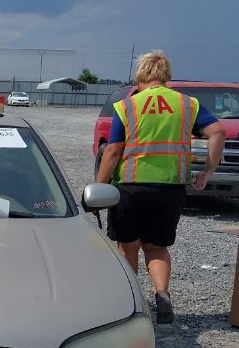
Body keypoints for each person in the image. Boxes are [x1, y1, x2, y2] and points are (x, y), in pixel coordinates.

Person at [96, 50, 225, 324]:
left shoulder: (127, 105)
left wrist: (98, 187)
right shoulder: (187, 104)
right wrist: (208, 170)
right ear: (166, 76)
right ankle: (162, 295)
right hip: (170, 189)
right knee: (156, 248)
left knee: (128, 247)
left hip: (131, 187)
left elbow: (113, 150)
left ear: (140, 76)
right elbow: (217, 131)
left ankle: (131, 303)